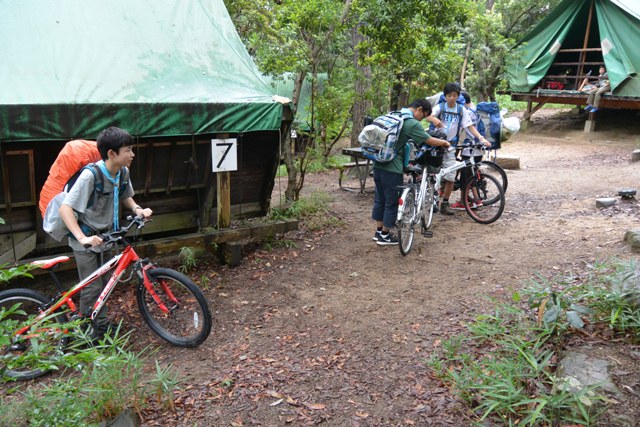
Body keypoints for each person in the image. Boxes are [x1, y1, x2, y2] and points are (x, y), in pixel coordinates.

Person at [59, 126, 152, 338]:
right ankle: (87, 332)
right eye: (128, 150)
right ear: (112, 153)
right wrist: (83, 238)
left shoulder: (122, 172)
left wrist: (137, 209)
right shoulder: (90, 176)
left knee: (106, 284)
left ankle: (100, 324)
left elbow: (125, 196)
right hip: (86, 238)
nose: (132, 154)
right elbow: (65, 209)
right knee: (92, 287)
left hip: (107, 236)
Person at [372, 99, 449, 246]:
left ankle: (379, 232)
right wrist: (445, 143)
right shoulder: (411, 122)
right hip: (392, 167)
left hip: (377, 163)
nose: (421, 120)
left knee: (380, 199)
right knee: (391, 201)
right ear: (419, 109)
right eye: (423, 116)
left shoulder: (395, 115)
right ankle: (385, 235)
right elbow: (429, 140)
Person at [426, 83, 490, 214]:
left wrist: (481, 138)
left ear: (458, 96)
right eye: (449, 95)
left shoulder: (461, 110)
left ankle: (445, 203)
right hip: (436, 145)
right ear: (445, 96)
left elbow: (469, 126)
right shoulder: (440, 107)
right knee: (432, 173)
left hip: (450, 146)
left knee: (451, 175)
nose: (451, 98)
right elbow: (428, 116)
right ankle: (431, 199)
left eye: (454, 95)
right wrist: (434, 119)